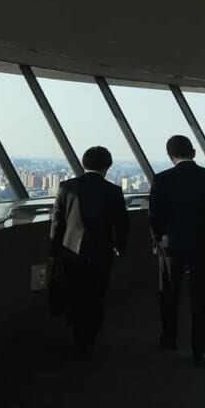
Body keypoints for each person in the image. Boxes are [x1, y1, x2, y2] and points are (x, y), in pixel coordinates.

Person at [149, 134, 205, 367]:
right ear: (194, 153)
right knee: (201, 299)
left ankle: (169, 337)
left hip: (171, 247)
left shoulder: (162, 179)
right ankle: (200, 350)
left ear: (170, 156)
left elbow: (155, 217)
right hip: (203, 246)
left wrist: (158, 239)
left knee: (169, 294)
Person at [49, 146, 128, 359]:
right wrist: (120, 246)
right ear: (107, 166)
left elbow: (58, 221)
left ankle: (78, 334)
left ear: (83, 164)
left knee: (75, 294)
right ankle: (89, 339)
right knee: (96, 295)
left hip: (71, 251)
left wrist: (54, 250)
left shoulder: (67, 187)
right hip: (100, 253)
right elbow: (121, 224)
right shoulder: (113, 191)